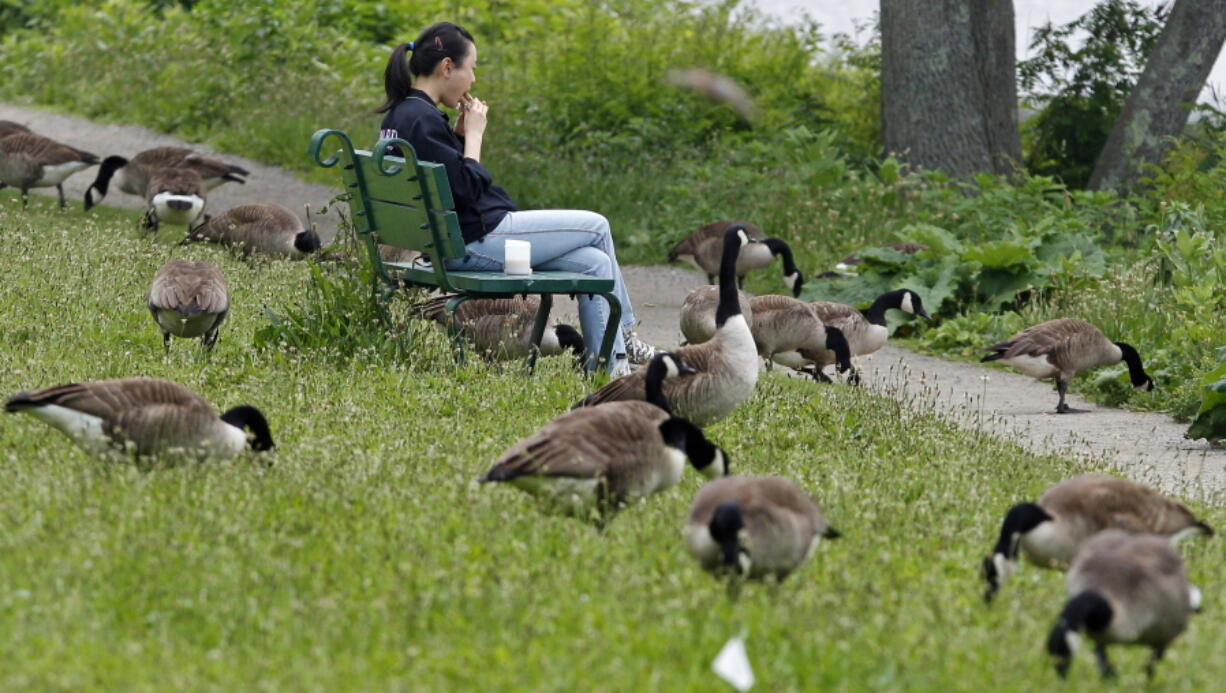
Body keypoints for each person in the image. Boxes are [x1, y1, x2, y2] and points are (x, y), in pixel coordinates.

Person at [376, 22, 658, 375]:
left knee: (595, 264)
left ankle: (610, 372)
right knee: (597, 225)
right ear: (447, 67)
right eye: (471, 68)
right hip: (474, 242)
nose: (473, 80)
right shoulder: (423, 119)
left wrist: (459, 138)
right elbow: (466, 188)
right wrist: (475, 137)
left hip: (450, 239)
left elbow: (447, 183)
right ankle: (626, 336)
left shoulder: (402, 116)